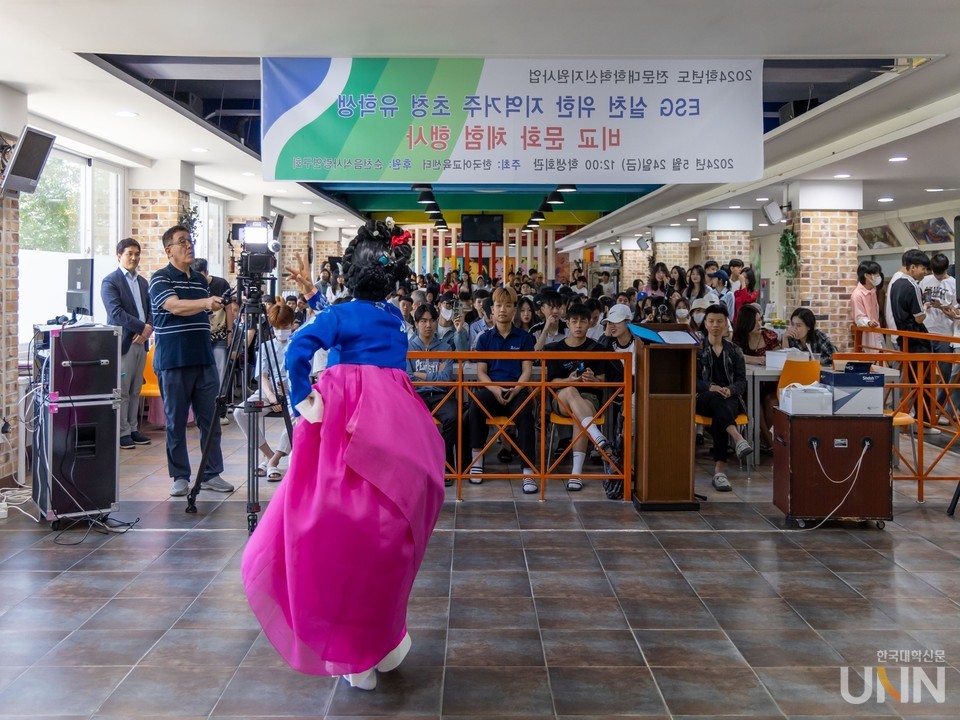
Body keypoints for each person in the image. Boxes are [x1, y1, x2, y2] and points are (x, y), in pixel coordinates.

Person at [242, 219, 445, 691]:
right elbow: (342, 321)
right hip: (396, 420)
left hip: (346, 422)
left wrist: (302, 397)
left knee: (338, 526)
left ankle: (358, 645)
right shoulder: (395, 316)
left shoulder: (348, 315)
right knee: (387, 528)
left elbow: (302, 345)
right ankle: (380, 638)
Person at [148, 225, 234, 497]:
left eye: (190, 240)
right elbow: (174, 306)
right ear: (168, 250)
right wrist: (206, 302)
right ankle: (180, 476)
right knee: (175, 421)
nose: (189, 246)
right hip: (173, 360)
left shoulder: (199, 280)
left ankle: (211, 473)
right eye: (181, 242)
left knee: (210, 419)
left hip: (203, 357)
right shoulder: (160, 278)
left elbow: (202, 311)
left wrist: (211, 304)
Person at [466, 286, 538, 492]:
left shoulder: (524, 338)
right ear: (492, 311)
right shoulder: (484, 338)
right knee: (475, 405)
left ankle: (528, 471)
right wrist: (495, 389)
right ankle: (477, 461)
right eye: (498, 306)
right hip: (492, 389)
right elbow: (481, 372)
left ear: (514, 310)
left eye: (507, 306)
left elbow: (526, 371)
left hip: (516, 390)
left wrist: (515, 389)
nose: (503, 310)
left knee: (526, 414)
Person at [544, 303, 615, 491]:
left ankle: (576, 473)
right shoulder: (555, 349)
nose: (578, 325)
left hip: (589, 399)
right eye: (574, 321)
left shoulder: (597, 349)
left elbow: (602, 382)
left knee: (579, 416)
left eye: (583, 321)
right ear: (567, 323)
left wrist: (592, 380)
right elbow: (551, 382)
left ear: (590, 323)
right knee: (569, 390)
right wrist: (568, 379)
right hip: (561, 398)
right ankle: (597, 436)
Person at [100, 237, 153, 450]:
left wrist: (147, 328)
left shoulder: (142, 282)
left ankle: (133, 429)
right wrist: (142, 327)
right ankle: (121, 432)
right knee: (121, 390)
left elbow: (151, 311)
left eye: (137, 254)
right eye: (129, 253)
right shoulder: (110, 281)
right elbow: (116, 313)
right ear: (119, 255)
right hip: (124, 342)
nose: (134, 258)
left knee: (135, 389)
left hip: (141, 341)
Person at [232, 302, 294, 481]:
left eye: (285, 327)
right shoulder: (266, 346)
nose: (281, 330)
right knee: (241, 412)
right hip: (268, 393)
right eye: (277, 327)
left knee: (299, 417)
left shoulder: (298, 343)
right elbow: (263, 376)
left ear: (291, 324)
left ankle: (274, 460)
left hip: (293, 393)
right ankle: (268, 455)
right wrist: (271, 396)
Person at [696, 304, 753, 491]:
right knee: (715, 399)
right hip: (704, 397)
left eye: (720, 321)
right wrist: (709, 386)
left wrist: (731, 389)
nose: (715, 325)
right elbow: (690, 379)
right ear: (705, 323)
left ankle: (720, 472)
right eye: (711, 321)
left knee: (722, 409)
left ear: (726, 323)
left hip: (729, 398)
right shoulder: (696, 350)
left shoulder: (734, 350)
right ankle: (736, 440)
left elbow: (741, 380)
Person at [407, 303, 461, 486]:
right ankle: (419, 466)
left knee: (454, 417)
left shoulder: (445, 348)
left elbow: (445, 378)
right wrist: (433, 374)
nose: (428, 325)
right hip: (417, 396)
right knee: (410, 420)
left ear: (436, 322)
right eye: (423, 321)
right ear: (416, 324)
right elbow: (409, 378)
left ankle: (444, 464)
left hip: (441, 395)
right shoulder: (408, 348)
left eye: (431, 321)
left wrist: (422, 375)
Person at [731, 304, 780, 451]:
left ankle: (773, 442)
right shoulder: (739, 338)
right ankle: (769, 442)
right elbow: (737, 356)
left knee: (771, 401)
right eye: (756, 321)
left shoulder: (769, 335)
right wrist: (758, 360)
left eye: (761, 320)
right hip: (748, 385)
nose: (760, 324)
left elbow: (778, 356)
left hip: (769, 383)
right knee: (754, 402)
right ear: (746, 322)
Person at [886, 248, 932, 351]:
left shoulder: (896, 283)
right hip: (915, 340)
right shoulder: (913, 286)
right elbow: (919, 318)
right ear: (912, 267)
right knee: (922, 366)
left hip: (901, 337)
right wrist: (925, 306)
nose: (925, 272)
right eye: (923, 268)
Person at [850, 260, 883, 351]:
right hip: (867, 334)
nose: (878, 277)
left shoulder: (873, 291)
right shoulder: (857, 295)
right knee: (871, 361)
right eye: (876, 274)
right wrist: (868, 322)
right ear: (867, 275)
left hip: (877, 331)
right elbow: (859, 318)